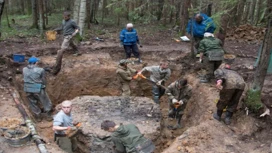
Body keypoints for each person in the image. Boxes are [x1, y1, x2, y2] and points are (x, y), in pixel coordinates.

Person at [23, 56, 52, 122]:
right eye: (37, 61)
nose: (38, 62)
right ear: (35, 62)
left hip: (27, 89)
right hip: (37, 88)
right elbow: (43, 80)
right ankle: (48, 115)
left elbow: (31, 72)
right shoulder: (41, 70)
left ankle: (38, 116)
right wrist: (44, 86)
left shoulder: (24, 69)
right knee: (46, 102)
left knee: (33, 103)